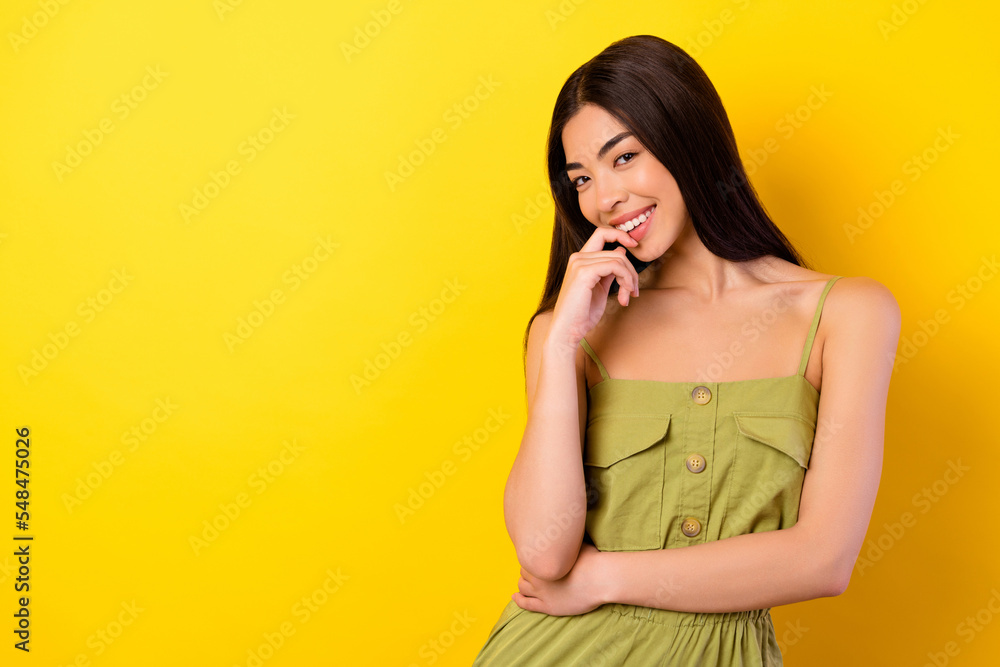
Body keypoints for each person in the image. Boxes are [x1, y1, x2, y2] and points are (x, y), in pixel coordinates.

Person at [471, 34, 901, 666]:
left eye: (624, 158)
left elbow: (823, 560)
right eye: (582, 178)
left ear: (688, 141)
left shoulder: (848, 313)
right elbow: (541, 553)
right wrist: (561, 343)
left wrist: (603, 579)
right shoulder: (569, 332)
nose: (603, 198)